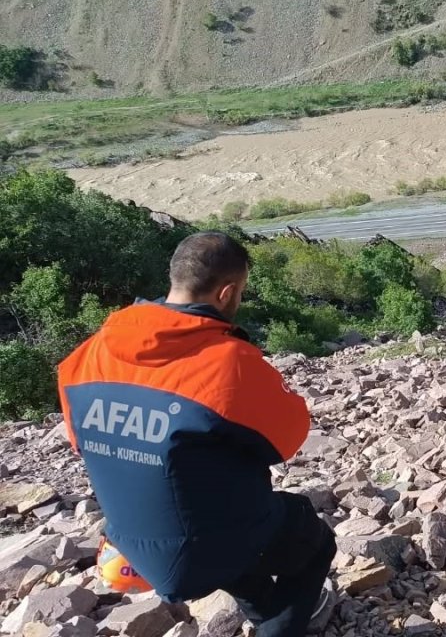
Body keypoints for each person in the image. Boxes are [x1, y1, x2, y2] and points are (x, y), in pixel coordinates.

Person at [57, 232, 337, 637]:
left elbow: (82, 441)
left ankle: (266, 610)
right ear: (227, 292)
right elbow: (287, 439)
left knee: (225, 529)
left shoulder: (86, 355)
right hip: (199, 542)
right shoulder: (227, 362)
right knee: (311, 539)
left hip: (128, 539)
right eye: (240, 293)